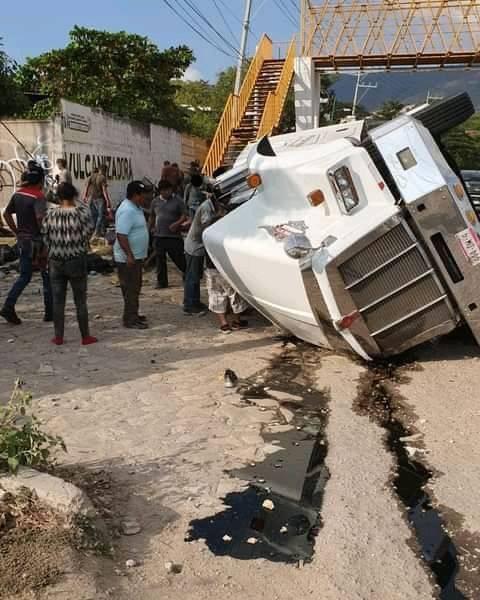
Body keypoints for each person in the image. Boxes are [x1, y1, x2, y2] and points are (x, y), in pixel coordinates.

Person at [41, 183, 97, 346]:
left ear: (58, 196)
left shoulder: (50, 213)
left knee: (58, 301)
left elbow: (45, 236)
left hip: (56, 261)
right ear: (74, 195)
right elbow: (89, 232)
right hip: (76, 260)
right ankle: (85, 336)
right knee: (80, 300)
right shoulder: (81, 213)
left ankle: (58, 337)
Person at [0, 164, 53, 325]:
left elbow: (6, 214)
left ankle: (9, 305)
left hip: (23, 241)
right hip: (37, 242)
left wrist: (17, 231)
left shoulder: (18, 194)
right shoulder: (38, 196)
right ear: (41, 180)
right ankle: (49, 312)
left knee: (24, 276)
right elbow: (39, 219)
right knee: (46, 276)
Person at [114, 181, 149, 329]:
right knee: (130, 288)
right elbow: (121, 235)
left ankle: (133, 313)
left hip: (136, 256)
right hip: (128, 258)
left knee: (135, 287)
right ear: (136, 195)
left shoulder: (136, 208)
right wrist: (129, 255)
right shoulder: (127, 210)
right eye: (143, 194)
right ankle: (129, 319)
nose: (146, 197)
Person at [183, 186, 222, 315]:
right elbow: (207, 228)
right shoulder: (206, 207)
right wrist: (219, 217)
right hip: (195, 246)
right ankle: (189, 304)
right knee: (192, 277)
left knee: (195, 276)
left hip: (198, 245)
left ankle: (194, 301)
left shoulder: (211, 205)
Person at [149, 180, 188, 289]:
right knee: (160, 259)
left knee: (179, 258)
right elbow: (152, 216)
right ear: (160, 191)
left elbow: (184, 215)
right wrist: (151, 228)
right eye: (164, 191)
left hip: (173, 236)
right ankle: (162, 282)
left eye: (169, 190)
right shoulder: (155, 202)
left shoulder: (178, 201)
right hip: (159, 235)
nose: (167, 192)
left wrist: (177, 223)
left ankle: (187, 274)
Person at [205, 251, 248, 333]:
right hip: (227, 268)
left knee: (217, 295)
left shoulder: (207, 237)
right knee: (234, 294)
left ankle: (224, 324)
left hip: (212, 268)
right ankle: (237, 322)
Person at [83, 165, 111, 238]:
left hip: (91, 198)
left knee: (93, 215)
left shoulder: (91, 176)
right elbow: (104, 190)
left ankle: (95, 231)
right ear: (104, 170)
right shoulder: (102, 177)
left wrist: (84, 196)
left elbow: (86, 187)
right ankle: (97, 231)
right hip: (99, 198)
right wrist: (108, 201)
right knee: (100, 215)